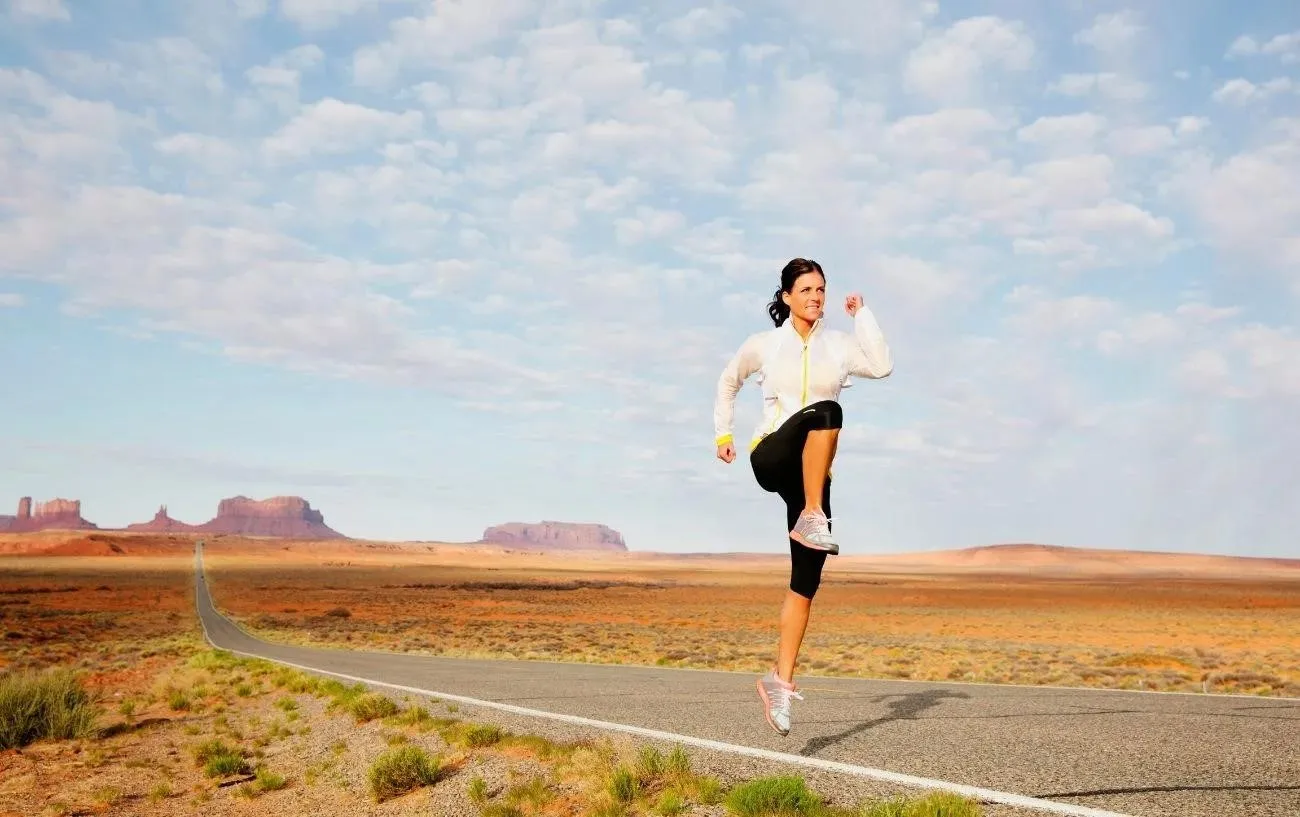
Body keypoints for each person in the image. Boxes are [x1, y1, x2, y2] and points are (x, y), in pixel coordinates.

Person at [712, 257, 893, 737]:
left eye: (822, 290)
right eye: (806, 289)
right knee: (827, 411)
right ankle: (812, 514)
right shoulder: (765, 345)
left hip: (814, 475)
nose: (816, 297)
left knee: (806, 582)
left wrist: (863, 315)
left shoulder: (838, 346)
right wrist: (722, 434)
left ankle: (779, 683)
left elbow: (882, 365)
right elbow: (728, 380)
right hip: (771, 455)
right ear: (787, 296)